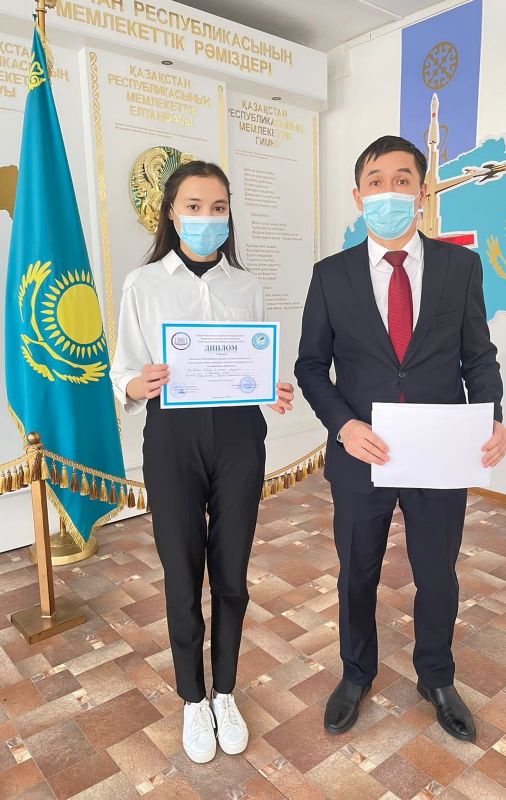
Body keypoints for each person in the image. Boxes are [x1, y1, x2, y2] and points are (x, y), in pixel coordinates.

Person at [295, 136, 506, 741]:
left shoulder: (459, 267)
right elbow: (311, 367)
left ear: (421, 191)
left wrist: (492, 416)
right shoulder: (330, 276)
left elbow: (478, 356)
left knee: (437, 573)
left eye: (402, 179)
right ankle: (355, 674)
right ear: (357, 195)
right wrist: (344, 425)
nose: (388, 191)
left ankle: (436, 676)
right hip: (361, 453)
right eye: (376, 181)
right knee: (356, 573)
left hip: (439, 451)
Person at [110, 160, 294, 764]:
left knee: (233, 572)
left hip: (240, 436)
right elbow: (122, 368)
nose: (207, 218)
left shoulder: (246, 285)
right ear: (171, 212)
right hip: (173, 438)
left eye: (218, 208)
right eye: (194, 207)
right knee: (183, 572)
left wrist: (270, 387)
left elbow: (251, 362)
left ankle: (226, 692)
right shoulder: (142, 284)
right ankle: (193, 698)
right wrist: (137, 383)